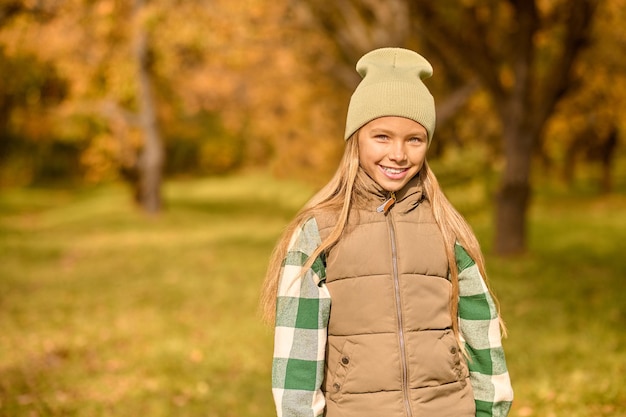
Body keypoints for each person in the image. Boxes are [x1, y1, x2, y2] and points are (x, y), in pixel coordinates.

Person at [261, 47, 514, 417]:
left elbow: (482, 334)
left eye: (415, 139)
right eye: (382, 136)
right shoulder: (320, 232)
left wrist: (492, 411)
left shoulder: (447, 228)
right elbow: (296, 356)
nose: (398, 154)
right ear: (356, 139)